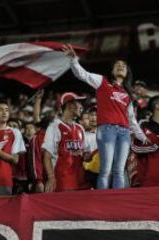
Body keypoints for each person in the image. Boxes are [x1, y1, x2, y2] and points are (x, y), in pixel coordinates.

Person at [63, 44, 148, 190]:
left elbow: (131, 120)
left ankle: (118, 204)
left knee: (119, 171)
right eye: (117, 65)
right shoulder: (102, 81)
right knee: (106, 170)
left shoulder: (128, 94)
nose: (121, 66)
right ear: (112, 71)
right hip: (107, 130)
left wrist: (142, 136)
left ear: (127, 72)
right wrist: (74, 60)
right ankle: (104, 203)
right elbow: (82, 74)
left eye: (124, 66)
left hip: (124, 132)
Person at [42, 92, 90, 192]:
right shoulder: (54, 127)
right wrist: (51, 177)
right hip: (63, 179)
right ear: (69, 105)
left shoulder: (80, 128)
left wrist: (90, 155)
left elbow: (84, 152)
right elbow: (47, 156)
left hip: (80, 179)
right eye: (78, 103)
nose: (81, 107)